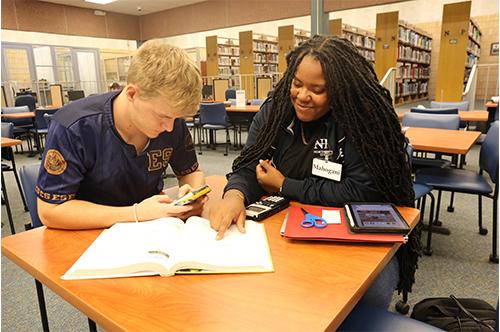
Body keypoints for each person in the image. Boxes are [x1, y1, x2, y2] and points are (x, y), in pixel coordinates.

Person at [208, 35, 418, 309]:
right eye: (297, 84)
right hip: (287, 229)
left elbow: (362, 191)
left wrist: (285, 185)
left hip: (350, 235)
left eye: (317, 89)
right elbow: (250, 165)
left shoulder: (360, 121)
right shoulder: (275, 112)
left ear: (339, 90)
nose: (302, 96)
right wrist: (235, 194)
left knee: (369, 294)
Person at [36, 40, 206, 229]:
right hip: (88, 233)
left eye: (176, 118)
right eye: (162, 116)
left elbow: (191, 172)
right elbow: (50, 212)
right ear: (132, 94)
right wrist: (135, 213)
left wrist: (194, 193)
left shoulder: (172, 122)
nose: (169, 127)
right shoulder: (74, 126)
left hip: (152, 228)